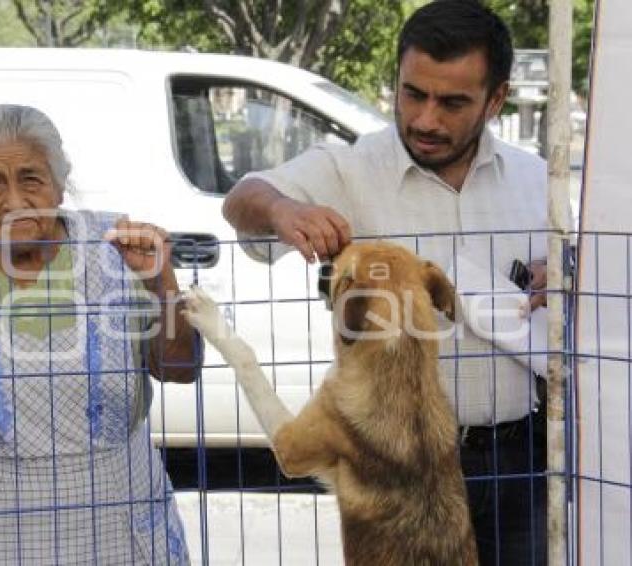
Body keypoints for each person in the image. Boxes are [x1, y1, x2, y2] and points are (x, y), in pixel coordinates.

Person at [222, 1, 548, 565]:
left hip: (518, 458)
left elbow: (583, 286)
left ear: (496, 100)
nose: (425, 119)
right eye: (412, 94)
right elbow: (242, 200)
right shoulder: (348, 169)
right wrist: (280, 210)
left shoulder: (536, 180)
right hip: (401, 473)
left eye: (452, 103)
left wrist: (562, 276)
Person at [0, 104, 198, 565]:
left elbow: (180, 370)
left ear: (60, 187)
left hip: (120, 533)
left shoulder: (115, 248)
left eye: (31, 179)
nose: (12, 200)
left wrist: (163, 284)